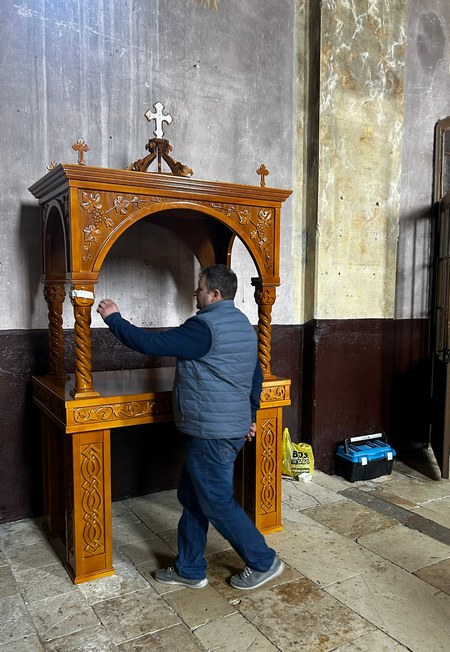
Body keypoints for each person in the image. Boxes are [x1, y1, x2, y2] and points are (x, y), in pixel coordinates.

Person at [97, 263, 284, 590]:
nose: (195, 293)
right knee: (193, 496)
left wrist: (114, 318)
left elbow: (151, 344)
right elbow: (255, 377)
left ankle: (263, 561)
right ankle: (189, 568)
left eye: (200, 288)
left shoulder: (204, 328)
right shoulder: (242, 324)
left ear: (214, 294)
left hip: (213, 433)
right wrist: (249, 416)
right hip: (228, 427)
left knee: (216, 502)